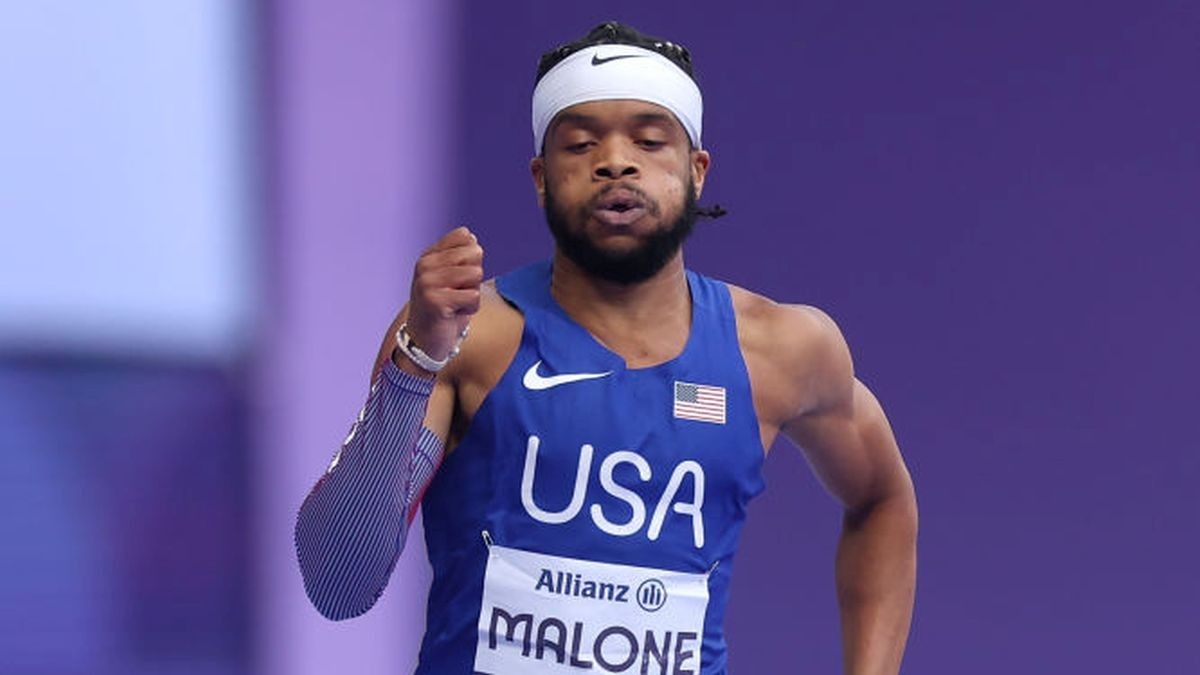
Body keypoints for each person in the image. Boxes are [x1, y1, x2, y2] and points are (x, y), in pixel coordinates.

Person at [295, 21, 917, 675]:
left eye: (650, 141)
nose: (615, 161)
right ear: (540, 177)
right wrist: (416, 362)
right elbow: (338, 582)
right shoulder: (470, 337)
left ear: (697, 170)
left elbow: (882, 500)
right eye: (580, 143)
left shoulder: (783, 350)